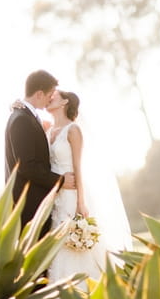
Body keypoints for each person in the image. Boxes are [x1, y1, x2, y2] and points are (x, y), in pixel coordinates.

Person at [43, 90, 133, 288]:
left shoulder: (73, 130)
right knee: (60, 245)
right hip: (55, 197)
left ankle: (91, 288)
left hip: (72, 194)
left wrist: (81, 202)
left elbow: (78, 167)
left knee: (78, 244)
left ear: (65, 101)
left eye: (54, 96)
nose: (50, 98)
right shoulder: (48, 131)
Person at [4, 70, 75, 232]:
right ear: (39, 94)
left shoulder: (26, 116)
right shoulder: (22, 119)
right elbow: (27, 166)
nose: (51, 98)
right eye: (50, 94)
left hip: (36, 203)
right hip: (30, 206)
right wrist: (61, 181)